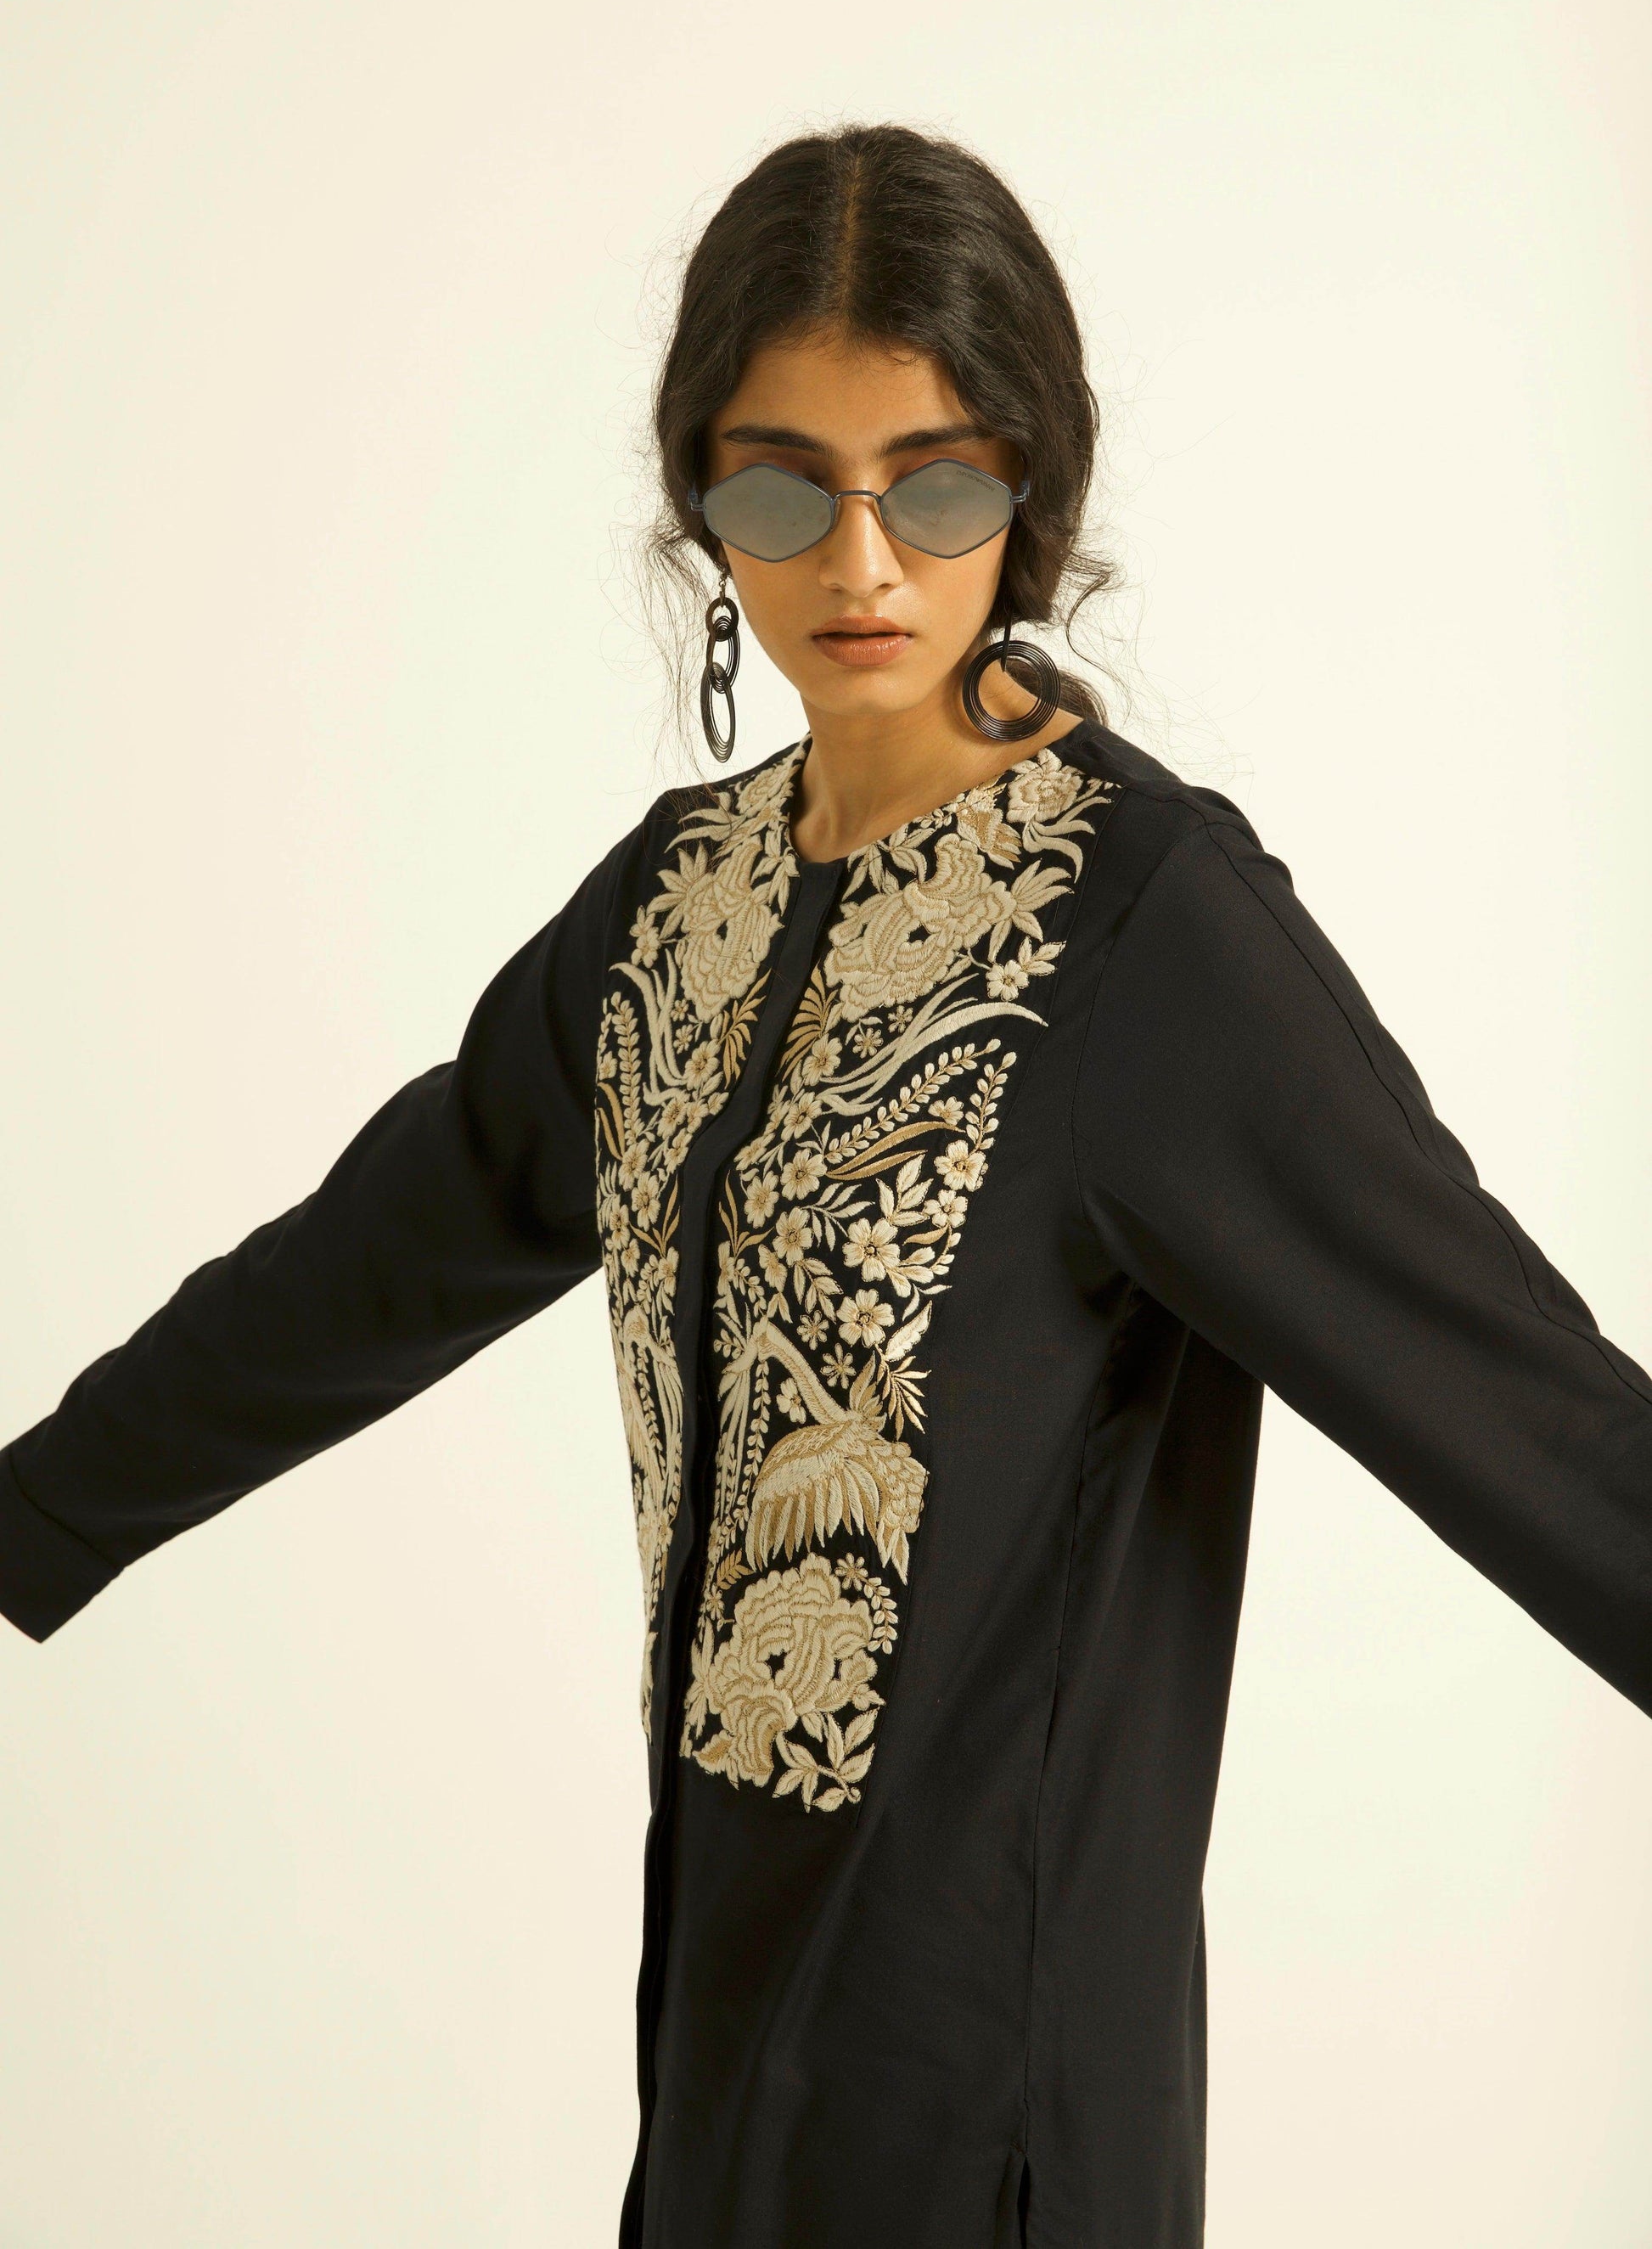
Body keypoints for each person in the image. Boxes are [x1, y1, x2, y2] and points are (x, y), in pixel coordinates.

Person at [2, 123, 1646, 2249]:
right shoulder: (673, 910)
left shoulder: (1141, 931)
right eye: (784, 490)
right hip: (718, 2039)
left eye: (932, 486)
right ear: (701, 500)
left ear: (1028, 490)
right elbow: (357, 1268)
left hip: (993, 2093)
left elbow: (1519, 1402)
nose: (858, 562)